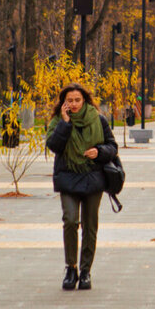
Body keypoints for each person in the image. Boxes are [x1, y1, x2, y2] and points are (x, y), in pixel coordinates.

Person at [46, 83, 118, 291]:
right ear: (64, 103)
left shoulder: (98, 119)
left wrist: (99, 151)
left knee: (90, 225)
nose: (74, 104)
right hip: (68, 177)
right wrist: (66, 123)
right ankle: (71, 268)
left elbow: (112, 147)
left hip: (93, 177)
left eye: (78, 100)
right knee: (70, 220)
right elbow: (54, 146)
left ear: (84, 100)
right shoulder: (59, 121)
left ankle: (86, 270)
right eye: (70, 100)